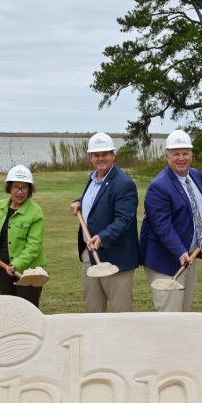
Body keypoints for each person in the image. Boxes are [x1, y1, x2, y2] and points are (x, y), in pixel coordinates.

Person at [140, 130, 202, 312]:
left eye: (185, 153)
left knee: (183, 312)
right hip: (165, 259)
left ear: (191, 155)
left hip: (189, 255)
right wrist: (180, 252)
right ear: (167, 156)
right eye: (176, 154)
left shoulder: (194, 174)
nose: (181, 158)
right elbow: (162, 226)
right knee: (170, 314)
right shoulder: (159, 186)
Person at [71, 132, 140, 313]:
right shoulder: (93, 178)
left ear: (113, 155)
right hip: (90, 256)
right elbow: (96, 199)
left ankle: (123, 343)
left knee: (121, 314)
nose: (100, 158)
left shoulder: (124, 183)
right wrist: (80, 200)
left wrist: (102, 237)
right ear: (91, 158)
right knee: (93, 312)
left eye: (105, 154)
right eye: (96, 155)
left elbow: (124, 219)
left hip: (117, 259)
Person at [0, 165, 48, 307]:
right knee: (8, 308)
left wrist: (17, 264)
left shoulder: (35, 211)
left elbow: (34, 245)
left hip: (28, 271)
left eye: (24, 188)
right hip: (4, 269)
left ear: (29, 190)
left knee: (27, 310)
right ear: (9, 188)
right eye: (16, 187)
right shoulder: (2, 206)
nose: (20, 192)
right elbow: (0, 235)